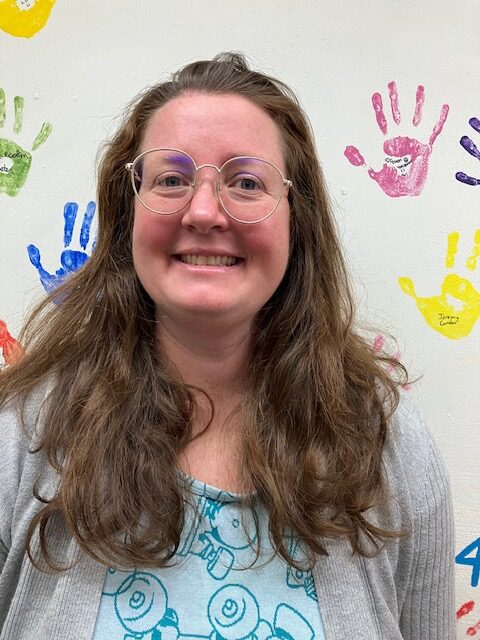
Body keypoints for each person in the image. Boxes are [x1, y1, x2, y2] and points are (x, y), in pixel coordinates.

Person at [0, 53, 454, 639]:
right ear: (127, 212)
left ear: (296, 220)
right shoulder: (21, 437)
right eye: (171, 179)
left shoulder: (390, 444)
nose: (204, 211)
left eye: (246, 182)